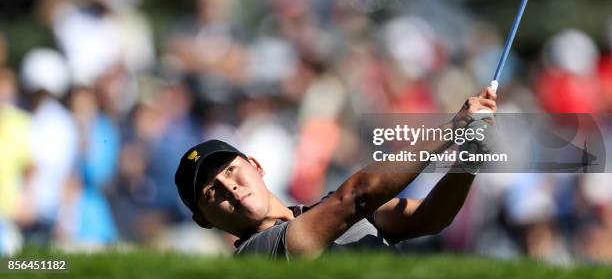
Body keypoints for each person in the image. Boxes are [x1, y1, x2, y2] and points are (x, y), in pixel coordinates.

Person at [175, 87, 497, 259]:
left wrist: (468, 162)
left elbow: (430, 218)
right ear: (203, 220)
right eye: (211, 191)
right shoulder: (255, 257)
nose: (230, 187)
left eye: (231, 170)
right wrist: (455, 127)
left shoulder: (323, 209)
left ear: (257, 166)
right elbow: (356, 197)